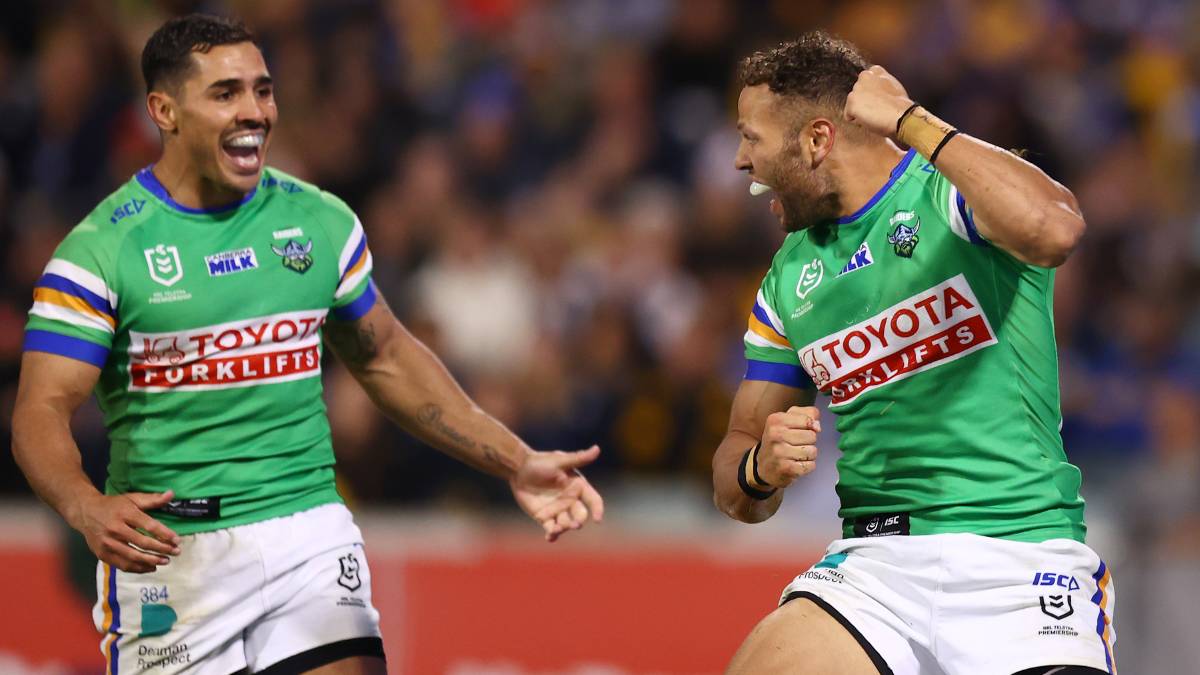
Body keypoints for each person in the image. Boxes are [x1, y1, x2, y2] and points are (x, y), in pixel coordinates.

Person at [11, 14, 603, 675]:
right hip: (173, 556)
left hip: (308, 533)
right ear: (165, 111)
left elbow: (385, 356)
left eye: (262, 90)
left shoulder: (318, 221)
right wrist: (84, 504)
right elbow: (40, 409)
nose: (255, 112)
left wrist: (513, 458)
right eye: (225, 93)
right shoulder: (101, 251)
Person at [713, 33, 1114, 675]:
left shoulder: (952, 197)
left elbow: (1054, 229)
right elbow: (735, 468)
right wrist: (760, 467)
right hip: (876, 571)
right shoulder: (788, 279)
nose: (739, 160)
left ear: (818, 140)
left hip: (1019, 561)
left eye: (751, 137)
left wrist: (909, 118)